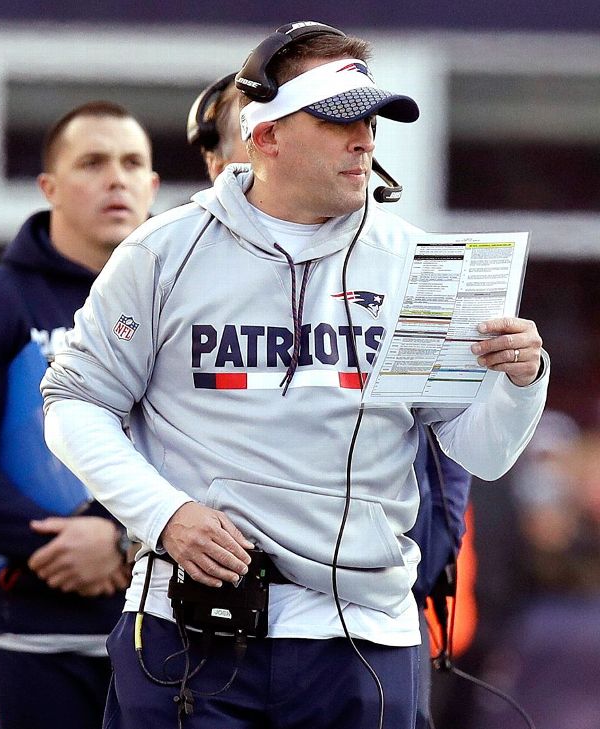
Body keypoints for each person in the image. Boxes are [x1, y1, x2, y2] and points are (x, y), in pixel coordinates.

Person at [41, 23, 548, 729]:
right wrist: (164, 514)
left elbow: (481, 451)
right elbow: (73, 404)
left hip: (364, 638)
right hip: (190, 629)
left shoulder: (416, 261)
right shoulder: (163, 252)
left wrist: (522, 383)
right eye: (339, 119)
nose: (365, 140)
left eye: (371, 120)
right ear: (265, 134)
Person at [187, 68, 478, 728]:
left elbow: (446, 450)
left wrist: (407, 566)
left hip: (366, 627)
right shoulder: (171, 268)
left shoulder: (391, 259)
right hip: (209, 625)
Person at [0, 100, 159, 729]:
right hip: (33, 624)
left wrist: (121, 537)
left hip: (164, 619)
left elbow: (220, 445)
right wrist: (53, 544)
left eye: (133, 163)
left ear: (153, 186)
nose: (117, 179)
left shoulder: (186, 303)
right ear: (49, 187)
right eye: (93, 163)